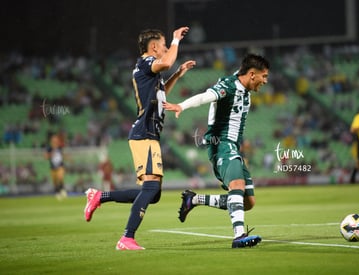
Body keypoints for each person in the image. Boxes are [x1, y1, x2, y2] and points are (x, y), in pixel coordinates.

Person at [83, 27, 196, 250]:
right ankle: (127, 237)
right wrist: (175, 40)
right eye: (163, 45)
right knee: (151, 188)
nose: (166, 49)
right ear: (154, 47)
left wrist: (177, 75)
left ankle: (99, 196)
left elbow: (162, 94)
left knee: (152, 194)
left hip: (149, 134)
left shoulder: (150, 72)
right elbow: (165, 62)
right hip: (144, 134)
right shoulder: (145, 63)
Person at [163, 53, 270, 248]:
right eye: (264, 76)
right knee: (237, 184)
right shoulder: (228, 87)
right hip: (221, 144)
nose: (266, 81)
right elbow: (206, 96)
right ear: (253, 74)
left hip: (232, 147)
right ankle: (239, 236)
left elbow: (241, 72)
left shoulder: (244, 83)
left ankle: (194, 199)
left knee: (248, 202)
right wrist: (181, 105)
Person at [44, 134, 67, 200]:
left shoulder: (60, 147)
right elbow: (46, 157)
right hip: (53, 167)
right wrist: (52, 153)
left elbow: (62, 155)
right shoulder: (49, 148)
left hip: (60, 166)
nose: (55, 141)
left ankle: (62, 190)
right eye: (54, 140)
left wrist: (67, 158)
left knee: (60, 177)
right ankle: (57, 192)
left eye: (56, 139)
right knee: (55, 181)